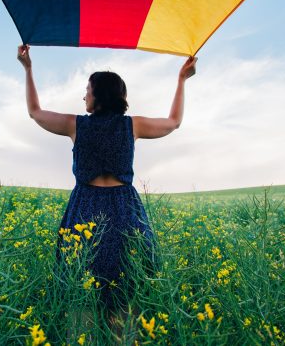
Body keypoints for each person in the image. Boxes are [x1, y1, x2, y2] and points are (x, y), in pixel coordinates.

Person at [17, 44, 197, 339]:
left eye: (87, 90)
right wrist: (182, 79)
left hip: (85, 208)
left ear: (99, 94)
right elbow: (173, 122)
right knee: (124, 293)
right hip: (124, 211)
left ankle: (83, 339)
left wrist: (28, 69)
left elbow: (35, 113)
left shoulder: (75, 125)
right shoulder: (133, 126)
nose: (84, 96)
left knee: (81, 289)